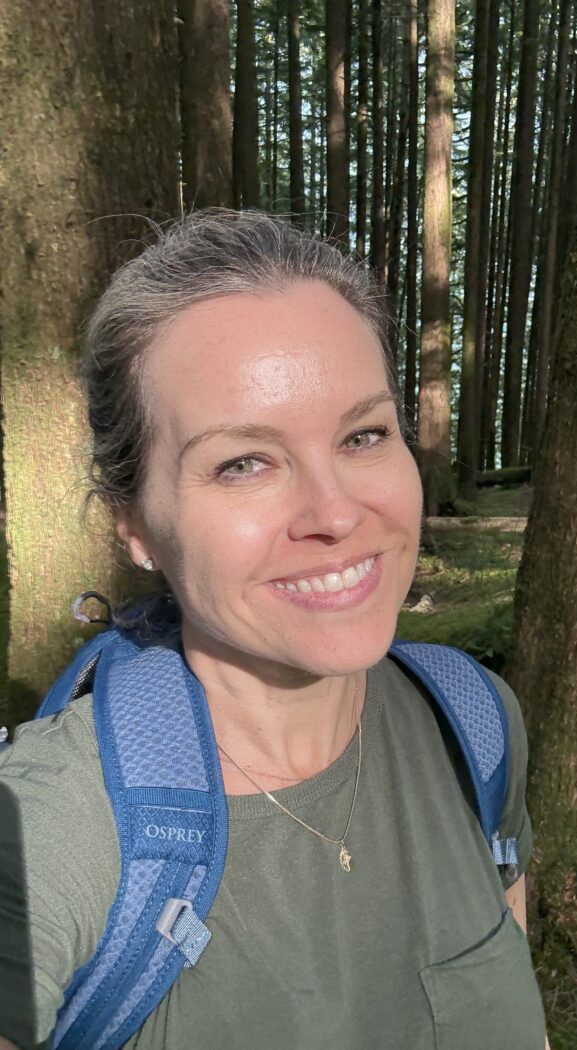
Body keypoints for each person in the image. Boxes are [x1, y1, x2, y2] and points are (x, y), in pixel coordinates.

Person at [0, 210, 547, 1049]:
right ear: (133, 523)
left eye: (363, 435)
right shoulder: (58, 823)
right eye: (243, 463)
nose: (335, 513)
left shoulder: (471, 722)